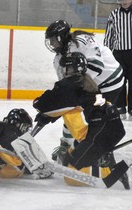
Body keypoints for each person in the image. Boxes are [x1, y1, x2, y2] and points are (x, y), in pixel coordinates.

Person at [44, 19, 127, 185]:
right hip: (94, 85)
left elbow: (97, 66)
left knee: (96, 119)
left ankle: (104, 156)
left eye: (53, 39)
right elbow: (65, 86)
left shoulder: (81, 41)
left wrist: (78, 95)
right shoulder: (58, 59)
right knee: (74, 109)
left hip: (109, 81)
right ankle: (69, 144)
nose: (51, 44)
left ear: (61, 37)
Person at [33, 52, 129, 188]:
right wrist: (49, 115)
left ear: (73, 68)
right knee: (68, 159)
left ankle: (110, 171)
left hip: (100, 132)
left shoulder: (70, 85)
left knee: (72, 174)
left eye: (67, 67)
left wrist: (39, 105)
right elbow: (67, 105)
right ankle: (100, 157)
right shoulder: (86, 82)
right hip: (109, 127)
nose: (64, 71)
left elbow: (45, 103)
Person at [104, 0, 132, 120]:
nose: (125, 1)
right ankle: (120, 108)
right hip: (118, 54)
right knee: (120, 81)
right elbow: (109, 35)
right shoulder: (114, 14)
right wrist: (106, 54)